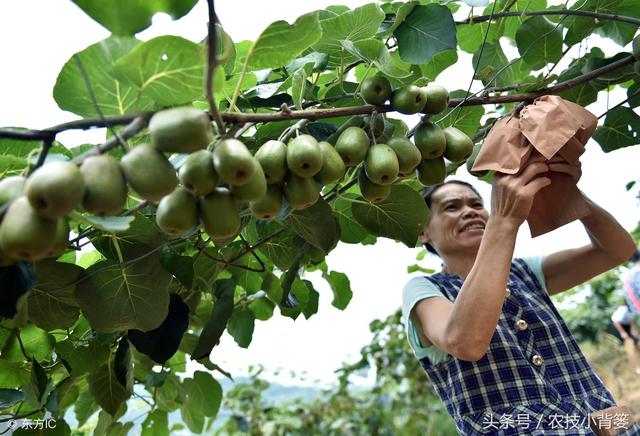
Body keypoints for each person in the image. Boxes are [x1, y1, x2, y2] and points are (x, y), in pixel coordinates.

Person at [402, 160, 637, 435]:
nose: (469, 212)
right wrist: (503, 221)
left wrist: (571, 194)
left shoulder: (525, 272)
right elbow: (465, 342)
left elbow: (616, 251)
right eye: (452, 207)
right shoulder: (423, 289)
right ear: (423, 232)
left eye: (477, 205)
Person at [610, 302, 640, 374]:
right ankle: (637, 368)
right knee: (630, 346)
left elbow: (630, 319)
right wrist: (622, 332)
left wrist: (633, 329)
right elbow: (616, 322)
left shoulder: (633, 308)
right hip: (618, 327)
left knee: (638, 343)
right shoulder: (624, 309)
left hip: (626, 325)